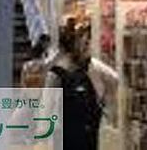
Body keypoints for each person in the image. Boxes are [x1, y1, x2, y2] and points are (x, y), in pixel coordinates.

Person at [45, 22, 117, 150]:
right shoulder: (57, 73)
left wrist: (104, 103)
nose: (87, 47)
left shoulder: (91, 66)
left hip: (88, 137)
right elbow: (46, 110)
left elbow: (115, 79)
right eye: (84, 44)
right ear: (72, 45)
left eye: (87, 43)